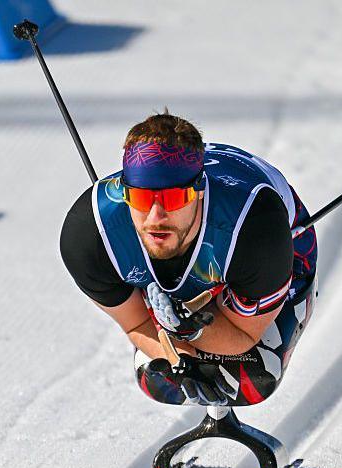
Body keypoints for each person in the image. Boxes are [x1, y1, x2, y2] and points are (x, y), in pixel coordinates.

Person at [60, 112, 317, 407]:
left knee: (253, 377)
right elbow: (135, 325)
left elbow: (245, 334)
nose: (155, 218)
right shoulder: (91, 236)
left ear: (198, 193)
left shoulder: (256, 229)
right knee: (160, 380)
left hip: (280, 245)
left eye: (172, 199)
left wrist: (189, 330)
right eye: (142, 199)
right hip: (212, 257)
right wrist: (180, 359)